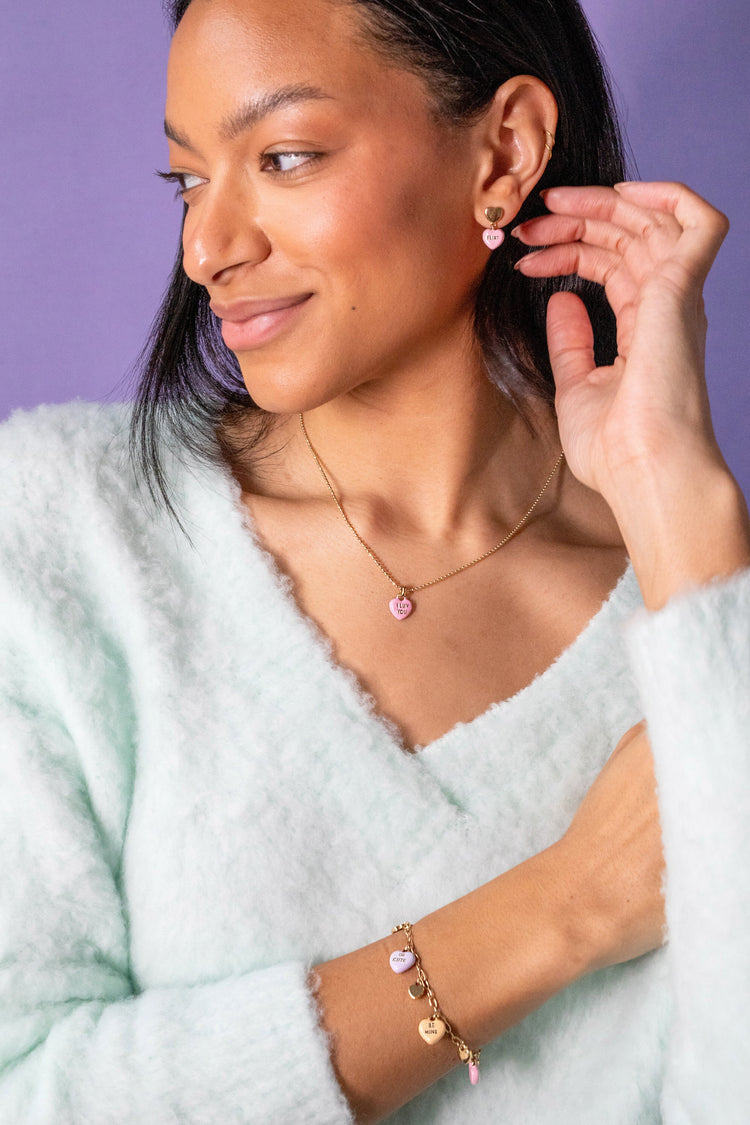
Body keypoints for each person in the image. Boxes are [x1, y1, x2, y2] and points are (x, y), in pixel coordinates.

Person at [1, 0, 748, 1121]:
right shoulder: (65, 534)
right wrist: (567, 905)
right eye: (188, 180)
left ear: (503, 153)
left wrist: (684, 514)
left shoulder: (699, 623)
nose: (207, 249)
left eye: (284, 157)